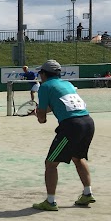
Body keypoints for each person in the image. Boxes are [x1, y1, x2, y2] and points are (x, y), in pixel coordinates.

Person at [32, 59, 95, 211]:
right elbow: (61, 105)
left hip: (71, 127)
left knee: (51, 163)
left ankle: (50, 201)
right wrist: (44, 111)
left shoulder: (45, 86)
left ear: (44, 74)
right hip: (88, 123)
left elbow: (42, 119)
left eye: (40, 72)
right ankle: (87, 193)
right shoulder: (67, 84)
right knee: (78, 158)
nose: (40, 75)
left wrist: (39, 115)